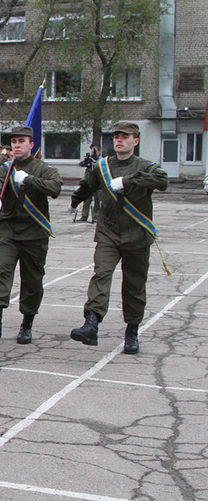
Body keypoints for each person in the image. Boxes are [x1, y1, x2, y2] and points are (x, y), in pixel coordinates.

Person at [69, 122, 168, 354]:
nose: (119, 140)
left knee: (134, 284)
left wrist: (127, 182)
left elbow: (163, 181)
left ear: (136, 140)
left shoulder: (145, 166)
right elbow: (88, 186)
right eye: (116, 137)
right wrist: (75, 200)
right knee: (101, 273)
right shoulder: (103, 166)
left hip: (137, 235)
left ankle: (132, 330)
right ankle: (91, 323)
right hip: (108, 232)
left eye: (125, 136)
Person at [0, 126, 62, 344]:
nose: (17, 145)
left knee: (32, 280)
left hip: (35, 234)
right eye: (14, 141)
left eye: (21, 141)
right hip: (10, 233)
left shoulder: (43, 168)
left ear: (31, 144)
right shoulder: (5, 168)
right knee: (1, 271)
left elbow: (55, 188)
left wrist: (29, 180)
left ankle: (27, 324)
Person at [77, 144, 102, 223]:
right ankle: (84, 216)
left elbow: (100, 167)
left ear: (99, 151)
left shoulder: (102, 160)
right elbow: (80, 165)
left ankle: (96, 216)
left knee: (97, 200)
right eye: (92, 151)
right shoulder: (89, 160)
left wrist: (94, 162)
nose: (94, 153)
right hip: (88, 183)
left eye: (95, 151)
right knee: (86, 200)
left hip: (98, 184)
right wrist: (84, 161)